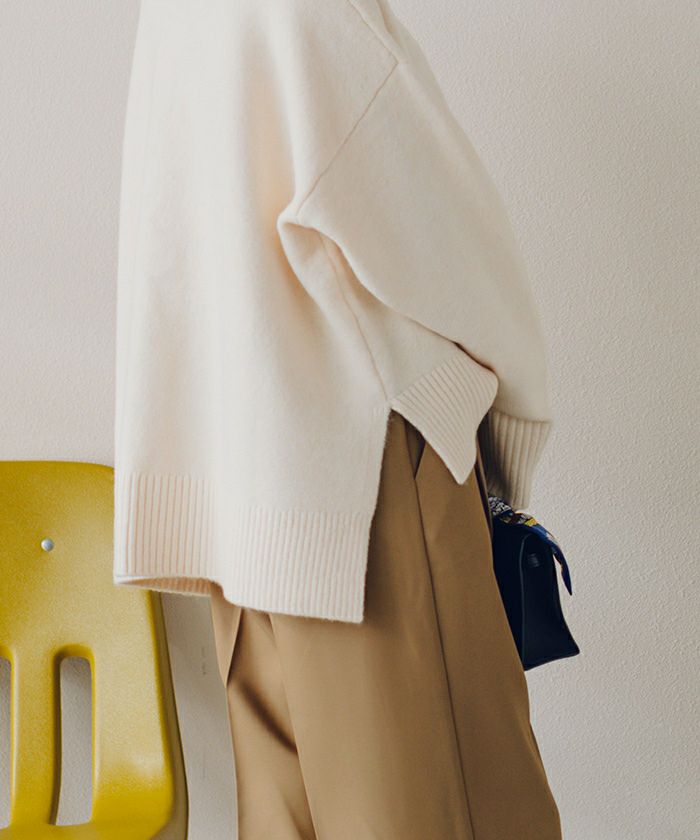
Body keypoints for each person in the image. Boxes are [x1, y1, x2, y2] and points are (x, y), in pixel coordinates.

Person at [113, 0, 563, 837]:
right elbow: (450, 247)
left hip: (241, 497)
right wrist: (513, 424)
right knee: (457, 813)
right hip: (359, 489)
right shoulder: (314, 14)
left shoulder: (174, 15)